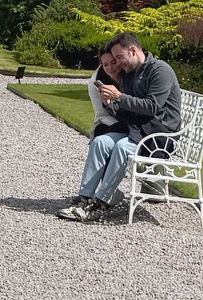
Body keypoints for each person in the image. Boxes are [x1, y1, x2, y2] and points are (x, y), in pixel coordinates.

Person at [59, 32, 180, 222]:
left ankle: (102, 203)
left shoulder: (160, 70)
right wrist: (110, 104)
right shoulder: (131, 73)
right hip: (139, 131)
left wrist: (119, 97)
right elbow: (129, 110)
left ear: (132, 50)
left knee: (123, 147)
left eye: (119, 57)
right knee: (100, 142)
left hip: (159, 137)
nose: (117, 63)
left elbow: (152, 107)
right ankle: (85, 198)